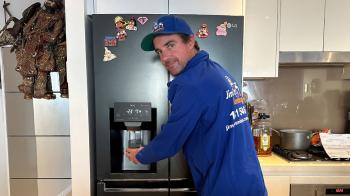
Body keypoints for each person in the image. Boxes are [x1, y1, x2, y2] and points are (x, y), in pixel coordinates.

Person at [125, 15, 267, 196]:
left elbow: (170, 142)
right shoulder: (217, 71)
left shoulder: (190, 83)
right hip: (249, 182)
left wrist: (140, 155)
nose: (164, 57)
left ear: (190, 42)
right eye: (159, 51)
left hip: (224, 187)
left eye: (170, 45)